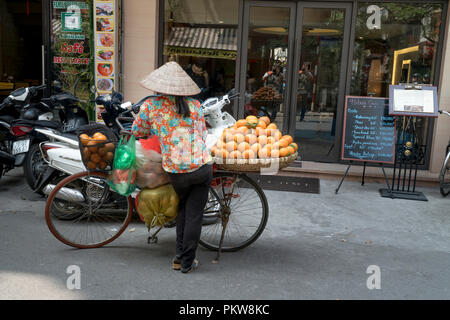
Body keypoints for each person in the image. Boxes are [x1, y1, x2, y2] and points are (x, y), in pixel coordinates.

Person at [131, 61, 213, 273]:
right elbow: (203, 134)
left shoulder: (150, 106)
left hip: (176, 172)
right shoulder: (194, 106)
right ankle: (186, 262)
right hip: (201, 167)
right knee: (193, 215)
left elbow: (137, 130)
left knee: (182, 211)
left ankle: (179, 257)